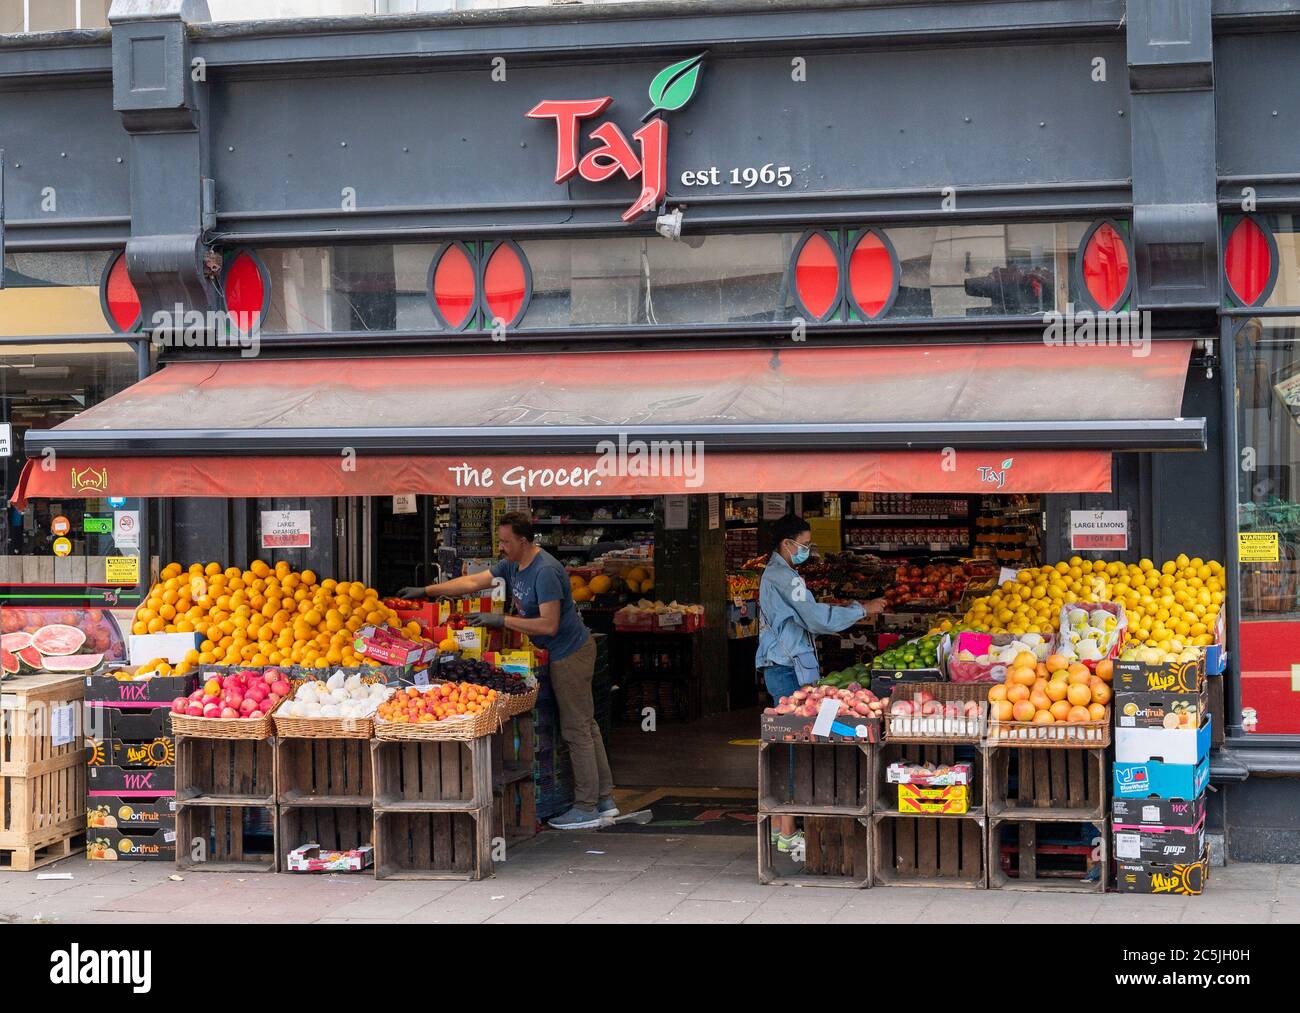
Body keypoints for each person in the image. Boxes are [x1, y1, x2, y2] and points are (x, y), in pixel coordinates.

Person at [397, 511, 614, 830]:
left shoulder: (545, 572)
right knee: (586, 726)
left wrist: (503, 620)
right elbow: (474, 581)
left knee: (577, 729)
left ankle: (586, 807)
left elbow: (549, 625)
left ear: (523, 541)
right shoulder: (513, 565)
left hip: (570, 652)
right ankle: (605, 799)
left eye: (506, 541)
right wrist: (428, 591)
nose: (501, 547)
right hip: (558, 652)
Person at [755, 514, 885, 853]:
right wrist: (861, 609)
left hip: (783, 665)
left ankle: (780, 826)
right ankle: (787, 833)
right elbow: (815, 617)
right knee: (796, 743)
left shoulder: (780, 574)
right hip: (788, 669)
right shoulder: (784, 577)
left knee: (790, 741)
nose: (808, 551)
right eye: (805, 545)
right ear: (787, 544)